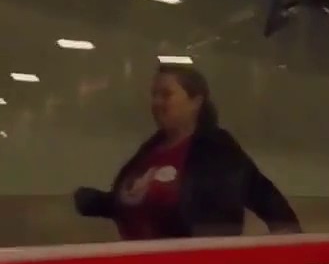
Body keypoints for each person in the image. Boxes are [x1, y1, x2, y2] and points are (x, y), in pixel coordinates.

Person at [73, 65, 299, 239]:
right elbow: (134, 201)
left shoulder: (216, 150)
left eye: (166, 94)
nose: (156, 102)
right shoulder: (151, 150)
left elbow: (262, 195)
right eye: (154, 94)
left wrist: (289, 243)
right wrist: (98, 202)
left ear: (196, 101)